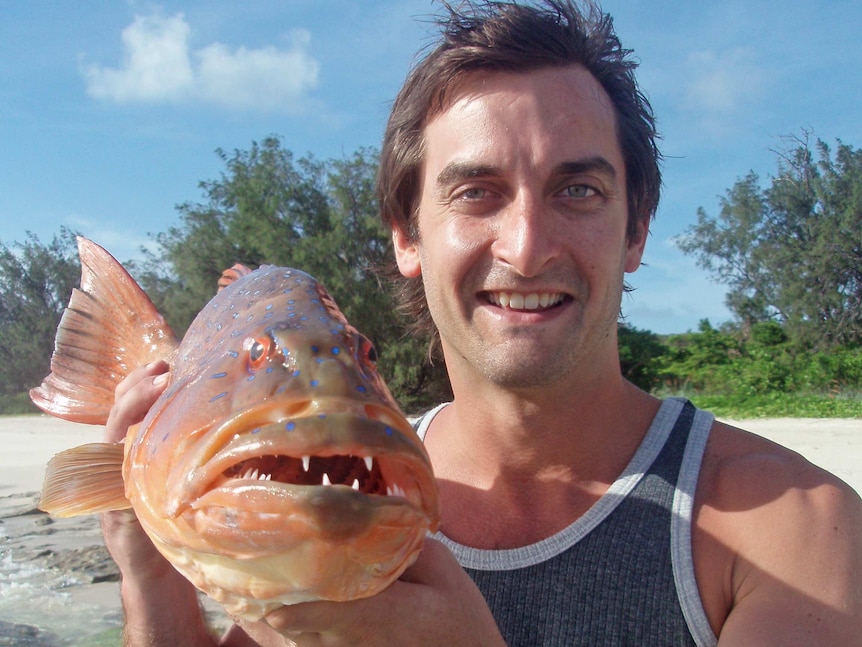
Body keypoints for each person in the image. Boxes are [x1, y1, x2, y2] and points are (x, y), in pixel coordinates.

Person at [102, 1, 862, 645]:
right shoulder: (314, 497)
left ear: (636, 231)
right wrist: (153, 585)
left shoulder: (798, 532)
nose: (527, 247)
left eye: (580, 190)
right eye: (476, 192)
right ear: (407, 234)